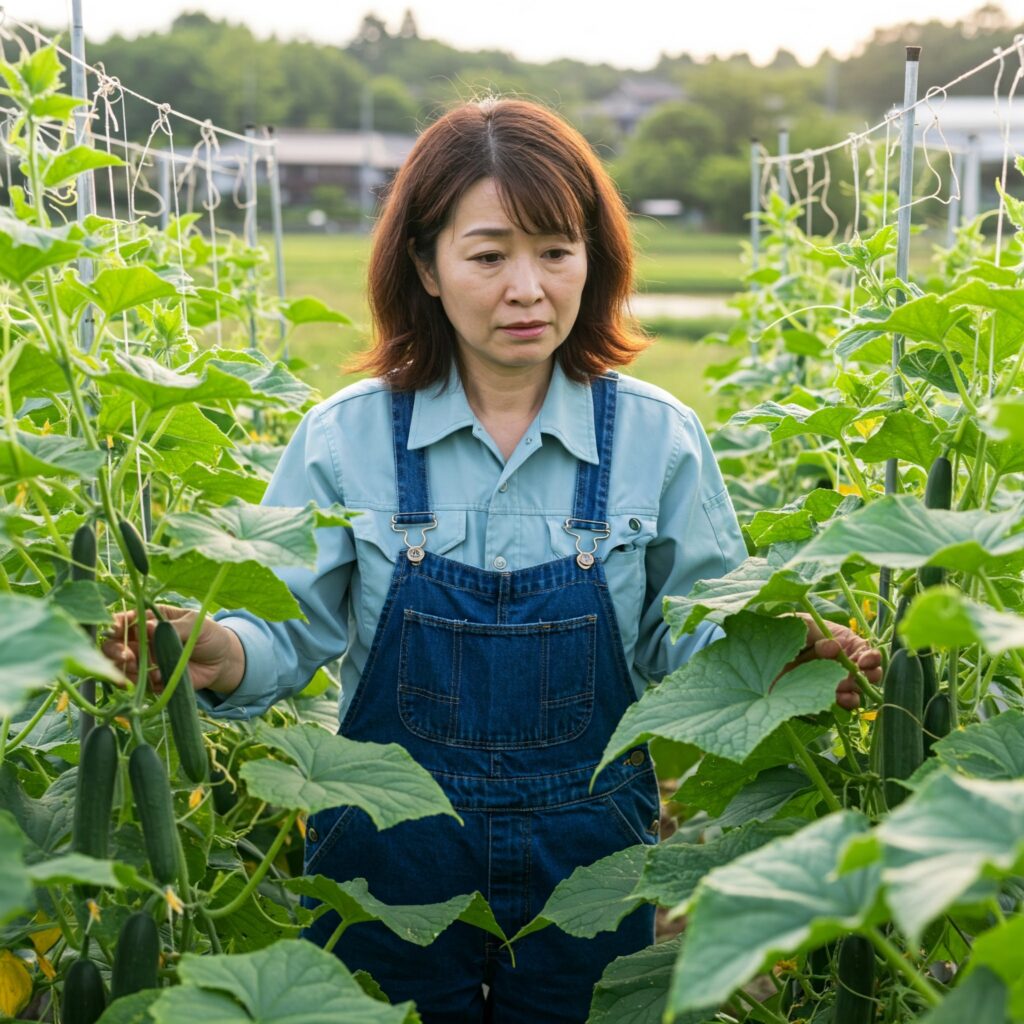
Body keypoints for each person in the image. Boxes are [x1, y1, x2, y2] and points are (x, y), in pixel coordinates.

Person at [103, 98, 881, 1023]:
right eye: (489, 254)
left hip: (590, 852)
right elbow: (289, 623)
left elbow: (692, 635)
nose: (529, 288)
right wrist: (222, 653)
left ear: (594, 260)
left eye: (557, 251)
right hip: (389, 852)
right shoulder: (344, 439)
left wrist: (774, 661)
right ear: (426, 266)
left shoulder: (656, 439)